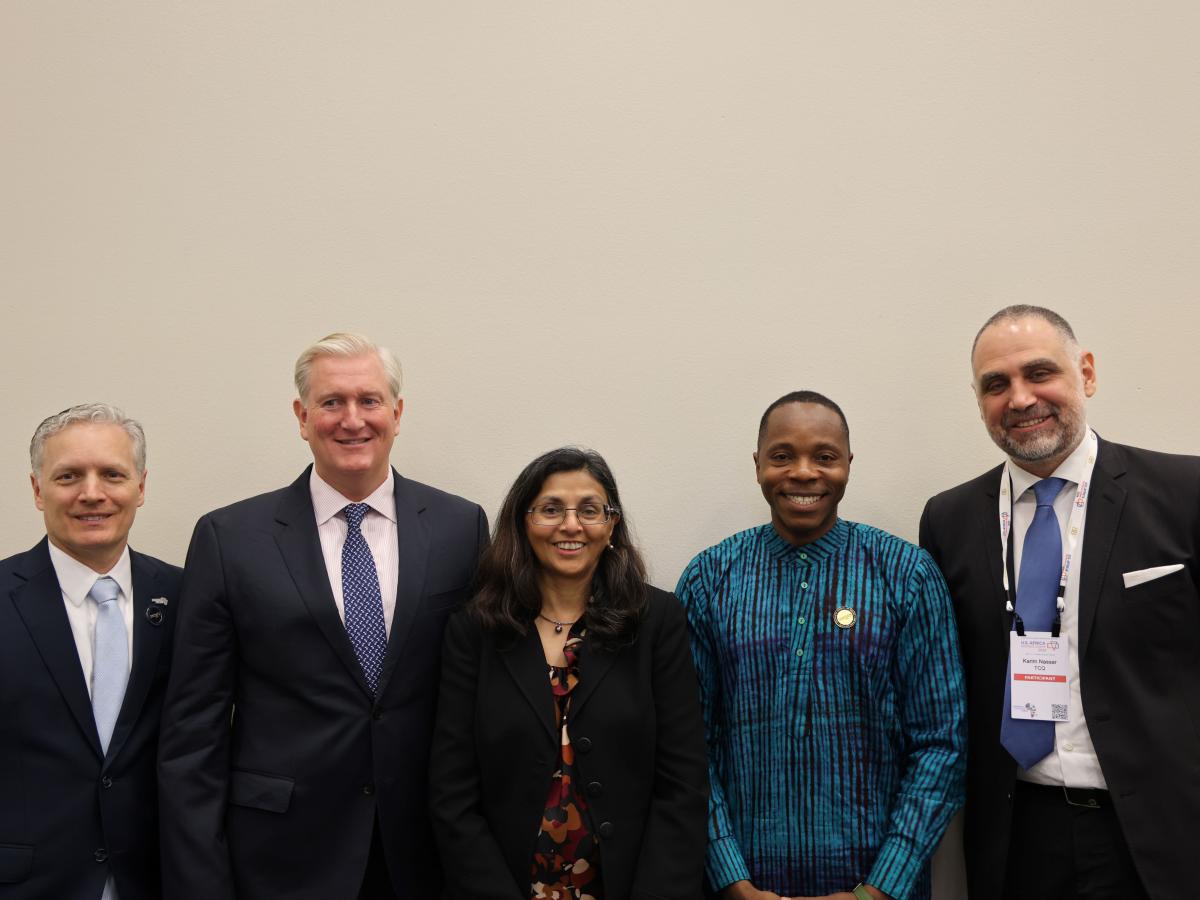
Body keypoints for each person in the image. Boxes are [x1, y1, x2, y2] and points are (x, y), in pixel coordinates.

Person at [158, 333, 488, 900]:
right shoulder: (230, 538)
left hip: (425, 851)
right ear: (302, 416)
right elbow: (194, 729)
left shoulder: (461, 528)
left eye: (369, 400)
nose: (352, 419)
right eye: (332, 402)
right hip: (281, 855)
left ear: (397, 413)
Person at [920, 306, 1199, 900]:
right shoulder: (948, 519)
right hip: (1018, 837)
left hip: (1163, 834)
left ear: (1087, 374)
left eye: (1039, 372)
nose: (1019, 399)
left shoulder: (1185, 494)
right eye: (996, 384)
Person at [677, 391, 966, 900]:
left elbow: (941, 745)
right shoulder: (709, 579)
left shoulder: (907, 575)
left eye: (825, 457)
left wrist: (879, 888)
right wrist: (730, 880)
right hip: (742, 884)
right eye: (782, 455)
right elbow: (687, 747)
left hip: (879, 886)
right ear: (758, 464)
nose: (804, 472)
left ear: (848, 464)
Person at [430, 447, 709, 900]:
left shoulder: (657, 620)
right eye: (551, 509)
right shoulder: (474, 630)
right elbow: (451, 793)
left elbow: (682, 785)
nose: (571, 525)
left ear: (611, 524)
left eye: (590, 510)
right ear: (524, 521)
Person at [0, 404, 181, 900]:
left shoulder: (187, 597)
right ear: (38, 490)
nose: (92, 493)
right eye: (68, 476)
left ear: (140, 487)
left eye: (112, 474)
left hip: (154, 879)